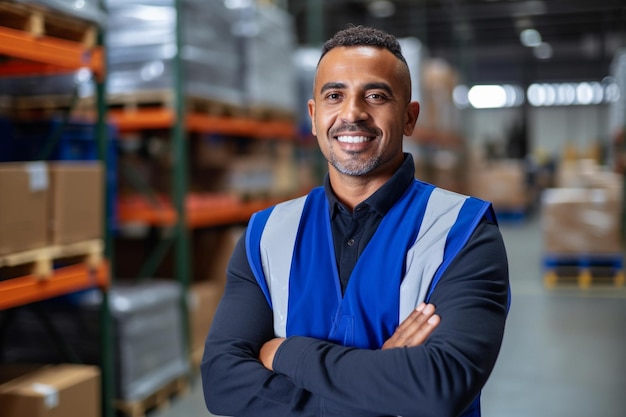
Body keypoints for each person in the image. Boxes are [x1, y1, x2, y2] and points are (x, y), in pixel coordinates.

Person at [201, 25, 510, 417]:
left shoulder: (463, 232)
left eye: (376, 96)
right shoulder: (265, 235)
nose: (352, 113)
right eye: (334, 95)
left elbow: (440, 386)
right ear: (314, 117)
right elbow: (221, 383)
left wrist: (287, 352)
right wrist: (384, 389)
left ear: (410, 117)